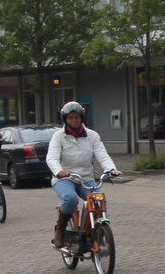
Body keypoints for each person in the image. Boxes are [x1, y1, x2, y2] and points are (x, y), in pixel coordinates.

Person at [47, 101, 121, 251]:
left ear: (82, 118)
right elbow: (52, 157)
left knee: (99, 199)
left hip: (85, 178)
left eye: (77, 117)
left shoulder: (92, 136)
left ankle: (94, 231)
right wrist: (59, 171)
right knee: (70, 198)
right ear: (65, 119)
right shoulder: (58, 136)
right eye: (70, 118)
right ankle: (61, 230)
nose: (74, 120)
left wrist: (111, 169)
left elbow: (102, 155)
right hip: (65, 179)